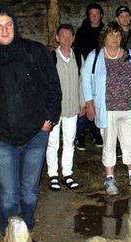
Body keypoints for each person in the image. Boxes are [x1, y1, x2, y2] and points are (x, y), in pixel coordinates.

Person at [0, 6, 61, 242]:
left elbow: (53, 87)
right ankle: (10, 239)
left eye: (8, 24)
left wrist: (49, 119)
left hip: (35, 134)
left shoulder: (34, 51)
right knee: (8, 195)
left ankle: (25, 235)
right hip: (3, 136)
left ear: (15, 26)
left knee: (29, 192)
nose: (4, 30)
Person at [82, 21, 131, 195]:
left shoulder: (129, 55)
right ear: (104, 37)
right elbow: (86, 79)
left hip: (128, 108)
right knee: (109, 143)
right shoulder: (95, 56)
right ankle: (109, 178)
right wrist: (89, 102)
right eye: (111, 35)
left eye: (118, 35)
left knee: (130, 142)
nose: (115, 38)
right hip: (107, 108)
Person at [47, 24, 85, 191]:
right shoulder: (50, 58)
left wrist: (82, 102)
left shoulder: (78, 57)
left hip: (72, 108)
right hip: (55, 109)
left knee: (69, 142)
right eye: (63, 36)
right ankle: (53, 175)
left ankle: (67, 173)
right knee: (53, 142)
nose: (66, 40)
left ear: (73, 38)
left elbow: (82, 82)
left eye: (69, 36)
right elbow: (46, 85)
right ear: (57, 38)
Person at [74, 2, 105, 150]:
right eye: (91, 14)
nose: (94, 16)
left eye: (96, 14)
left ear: (101, 15)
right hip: (85, 69)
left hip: (100, 71)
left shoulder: (105, 31)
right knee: (84, 101)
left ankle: (96, 131)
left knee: (98, 102)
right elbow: (77, 51)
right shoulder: (82, 31)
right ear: (88, 15)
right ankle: (79, 133)